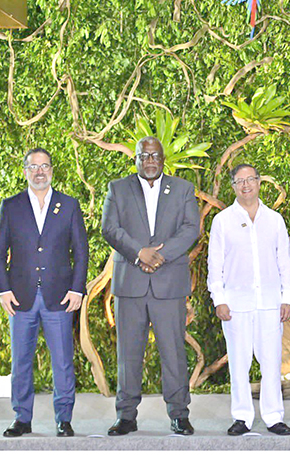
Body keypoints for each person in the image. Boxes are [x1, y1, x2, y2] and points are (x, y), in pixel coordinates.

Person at [101, 136, 199, 436]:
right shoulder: (117, 188)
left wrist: (161, 255)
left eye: (155, 155)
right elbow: (110, 228)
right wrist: (138, 253)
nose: (150, 161)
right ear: (136, 159)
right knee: (129, 354)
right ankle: (126, 416)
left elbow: (190, 228)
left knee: (173, 352)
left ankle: (179, 415)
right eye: (144, 156)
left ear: (163, 158)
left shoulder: (182, 188)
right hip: (130, 283)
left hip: (168, 283)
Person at [0, 148, 89, 438]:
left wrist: (77, 288)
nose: (39, 171)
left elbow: (81, 251)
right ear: (25, 171)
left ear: (51, 170)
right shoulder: (10, 206)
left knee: (62, 360)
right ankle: (22, 418)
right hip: (20, 297)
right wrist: (3, 289)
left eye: (44, 166)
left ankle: (64, 419)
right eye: (33, 166)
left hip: (59, 296)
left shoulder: (69, 205)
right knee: (20, 360)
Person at [207, 163, 290, 436]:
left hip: (270, 302)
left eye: (251, 179)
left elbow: (285, 263)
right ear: (233, 186)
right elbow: (215, 264)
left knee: (271, 362)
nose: (246, 185)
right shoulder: (222, 221)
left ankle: (273, 416)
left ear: (259, 182)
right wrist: (218, 298)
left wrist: (287, 297)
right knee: (239, 362)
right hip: (235, 305)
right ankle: (242, 417)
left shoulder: (274, 219)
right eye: (240, 181)